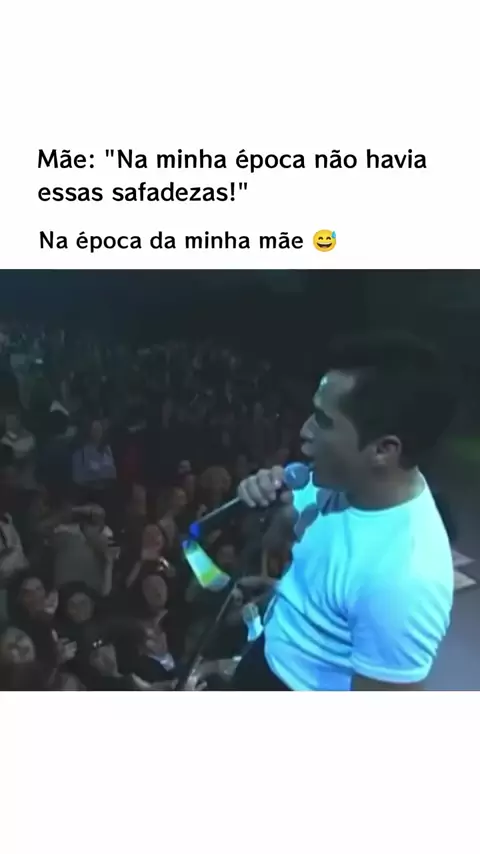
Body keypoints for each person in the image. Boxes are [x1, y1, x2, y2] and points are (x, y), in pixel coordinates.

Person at [232, 333, 456, 691]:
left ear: (383, 450)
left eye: (323, 420)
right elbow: (280, 537)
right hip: (267, 656)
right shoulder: (333, 481)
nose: (304, 430)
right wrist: (263, 506)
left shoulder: (405, 578)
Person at [72, 419, 117, 491]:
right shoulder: (80, 451)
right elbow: (77, 477)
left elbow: (113, 473)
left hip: (106, 490)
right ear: (88, 431)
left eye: (99, 429)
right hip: (87, 491)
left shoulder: (107, 449)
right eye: (94, 429)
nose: (97, 432)